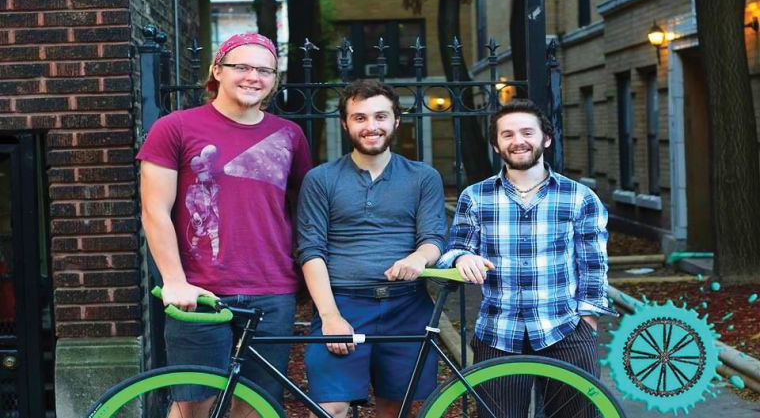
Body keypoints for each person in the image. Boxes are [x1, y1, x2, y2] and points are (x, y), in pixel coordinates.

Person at [137, 33, 311, 416]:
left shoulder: (290, 135)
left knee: (258, 404)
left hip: (272, 289)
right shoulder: (175, 127)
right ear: (217, 70)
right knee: (192, 403)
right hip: (199, 291)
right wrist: (174, 280)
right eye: (242, 67)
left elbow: (303, 208)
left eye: (265, 70)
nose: (253, 77)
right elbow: (154, 210)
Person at [438, 99, 617, 417]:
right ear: (496, 145)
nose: (517, 141)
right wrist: (459, 258)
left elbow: (593, 263)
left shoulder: (579, 197)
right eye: (507, 135)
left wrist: (587, 319)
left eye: (526, 132)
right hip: (498, 332)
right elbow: (454, 249)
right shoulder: (476, 197)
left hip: (564, 329)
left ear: (545, 138)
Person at [297, 79, 446, 418]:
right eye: (360, 118)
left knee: (394, 409)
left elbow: (434, 238)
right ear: (345, 124)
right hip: (344, 303)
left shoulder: (423, 177)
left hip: (406, 306)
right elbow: (311, 250)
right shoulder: (321, 179)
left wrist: (418, 258)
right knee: (329, 409)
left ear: (396, 121)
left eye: (380, 116)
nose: (371, 126)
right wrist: (330, 316)